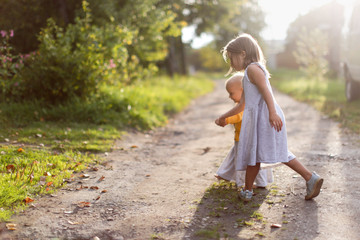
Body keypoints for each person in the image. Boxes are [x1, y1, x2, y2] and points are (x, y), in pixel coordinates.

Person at [215, 33, 323, 202]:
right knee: (257, 153)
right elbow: (242, 104)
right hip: (260, 117)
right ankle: (249, 189)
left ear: (243, 53)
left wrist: (272, 113)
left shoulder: (253, 69)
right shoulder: (248, 74)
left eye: (232, 58)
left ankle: (309, 177)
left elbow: (267, 91)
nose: (231, 63)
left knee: (273, 152)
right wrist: (224, 116)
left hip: (265, 117)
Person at [215, 73, 274, 189]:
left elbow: (239, 116)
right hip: (243, 139)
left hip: (244, 140)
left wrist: (226, 120)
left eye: (231, 93)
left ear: (243, 90)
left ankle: (247, 182)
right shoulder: (243, 104)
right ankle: (224, 174)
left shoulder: (246, 105)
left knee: (243, 162)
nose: (229, 97)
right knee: (235, 158)